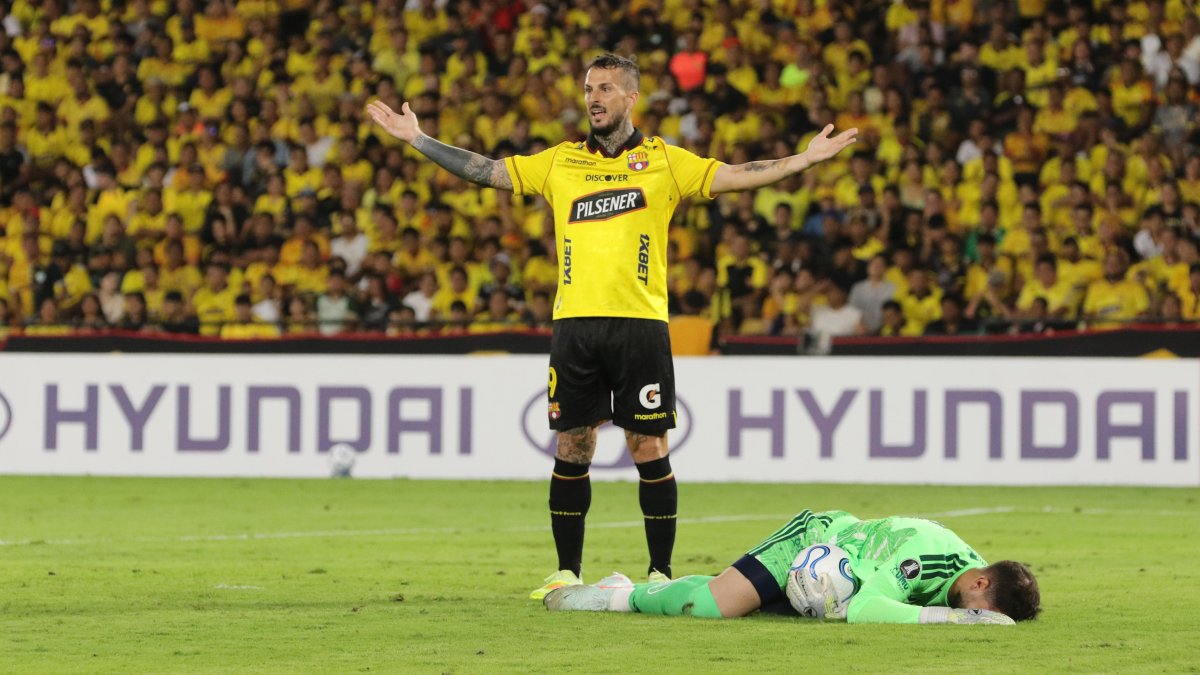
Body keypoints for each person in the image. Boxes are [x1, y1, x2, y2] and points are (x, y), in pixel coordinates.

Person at [367, 52, 857, 600]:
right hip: (574, 325)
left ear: (631, 97)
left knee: (649, 447)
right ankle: (566, 572)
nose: (593, 97)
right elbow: (487, 170)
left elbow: (736, 176)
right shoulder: (560, 162)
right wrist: (419, 139)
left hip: (640, 324)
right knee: (573, 446)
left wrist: (804, 161)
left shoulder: (665, 161)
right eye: (587, 88)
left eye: (604, 88)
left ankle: (661, 574)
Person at [545, 509, 1041, 626]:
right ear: (980, 583)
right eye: (983, 609)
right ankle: (619, 593)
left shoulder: (967, 576)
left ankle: (652, 589)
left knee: (728, 600)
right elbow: (867, 605)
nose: (979, 616)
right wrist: (953, 618)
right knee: (714, 607)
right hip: (813, 542)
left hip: (833, 581)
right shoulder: (925, 559)